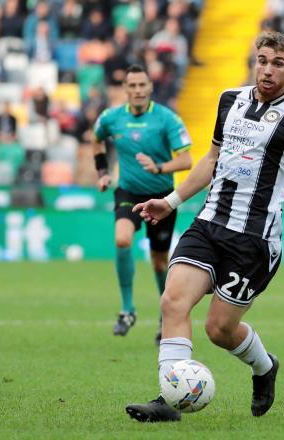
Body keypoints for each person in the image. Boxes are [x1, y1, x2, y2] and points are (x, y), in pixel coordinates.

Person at [125, 31, 284, 423]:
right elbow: (211, 158)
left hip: (254, 240)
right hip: (209, 222)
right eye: (263, 60)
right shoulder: (229, 100)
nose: (268, 70)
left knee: (219, 330)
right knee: (172, 302)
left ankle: (265, 367)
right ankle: (169, 398)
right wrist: (170, 202)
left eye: (278, 64)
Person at [92, 64, 192, 340]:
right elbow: (96, 140)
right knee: (122, 239)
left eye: (142, 85)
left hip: (161, 197)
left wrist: (158, 167)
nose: (137, 90)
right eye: (132, 86)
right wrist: (102, 172)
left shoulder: (166, 119)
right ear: (125, 89)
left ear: (150, 87)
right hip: (127, 192)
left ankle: (166, 314)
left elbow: (186, 160)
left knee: (159, 262)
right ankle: (127, 310)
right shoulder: (111, 118)